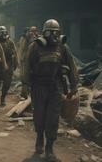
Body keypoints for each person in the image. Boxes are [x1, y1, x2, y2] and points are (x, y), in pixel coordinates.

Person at [23, 19, 78, 162]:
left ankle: (49, 147)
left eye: (56, 32)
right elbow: (26, 65)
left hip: (55, 86)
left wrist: (74, 85)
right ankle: (39, 138)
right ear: (44, 32)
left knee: (53, 118)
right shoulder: (35, 46)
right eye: (50, 31)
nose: (53, 35)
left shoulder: (62, 47)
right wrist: (25, 84)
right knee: (39, 115)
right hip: (39, 86)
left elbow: (71, 65)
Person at [0, 26, 18, 106]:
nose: (2, 34)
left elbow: (14, 53)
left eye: (4, 32)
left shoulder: (10, 42)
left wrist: (15, 63)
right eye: (1, 32)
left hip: (9, 66)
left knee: (7, 84)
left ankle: (3, 98)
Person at [19, 26, 39, 99]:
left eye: (35, 31)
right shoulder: (25, 38)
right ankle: (24, 94)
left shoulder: (38, 38)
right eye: (32, 31)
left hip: (35, 60)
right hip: (26, 59)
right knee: (25, 77)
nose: (33, 33)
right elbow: (22, 49)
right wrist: (21, 59)